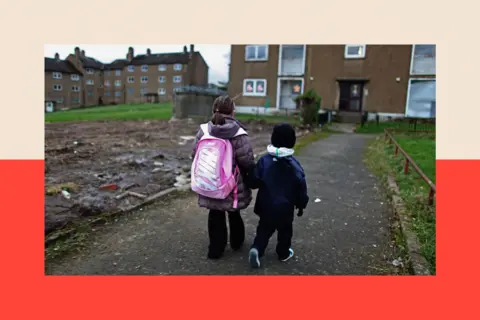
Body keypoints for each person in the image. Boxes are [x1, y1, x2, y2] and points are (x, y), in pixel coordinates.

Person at [191, 96, 255, 260]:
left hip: (210, 182)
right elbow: (247, 161)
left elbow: (194, 155)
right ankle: (236, 242)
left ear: (214, 110)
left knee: (215, 214)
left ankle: (215, 250)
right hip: (231, 186)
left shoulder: (203, 130)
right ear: (232, 111)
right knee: (234, 213)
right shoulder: (238, 133)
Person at [247, 123, 309, 268]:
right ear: (292, 142)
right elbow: (301, 187)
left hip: (266, 205)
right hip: (285, 208)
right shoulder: (294, 165)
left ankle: (256, 248)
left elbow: (254, 181)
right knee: (285, 231)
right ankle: (283, 252)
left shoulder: (264, 160)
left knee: (263, 229)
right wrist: (301, 204)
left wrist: (250, 172)